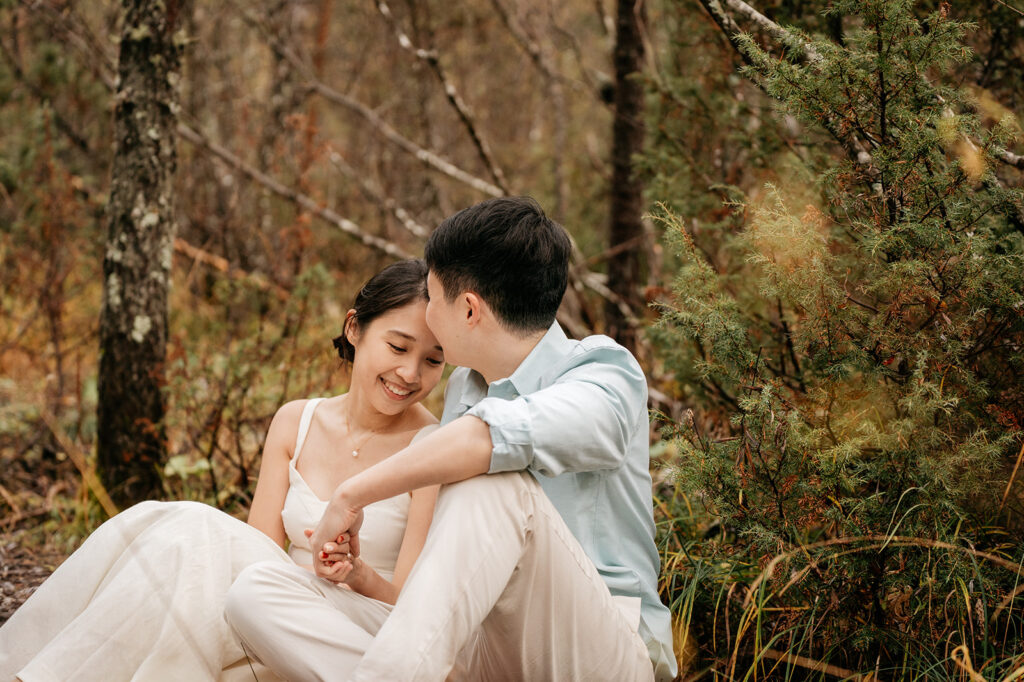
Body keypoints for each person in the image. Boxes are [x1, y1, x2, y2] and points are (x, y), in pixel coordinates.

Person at [227, 197, 678, 681]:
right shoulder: (466, 387)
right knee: (257, 592)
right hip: (479, 646)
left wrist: (352, 493)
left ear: (467, 309)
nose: (427, 312)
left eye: (432, 292)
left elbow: (497, 439)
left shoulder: (602, 373)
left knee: (494, 480)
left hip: (594, 650)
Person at [0, 259, 446, 682]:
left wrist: (356, 572)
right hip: (265, 610)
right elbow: (256, 552)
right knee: (169, 536)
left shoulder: (433, 448)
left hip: (345, 627)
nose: (409, 373)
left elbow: (409, 608)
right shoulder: (297, 420)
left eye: (433, 360)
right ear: (354, 328)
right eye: (398, 346)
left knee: (191, 527)